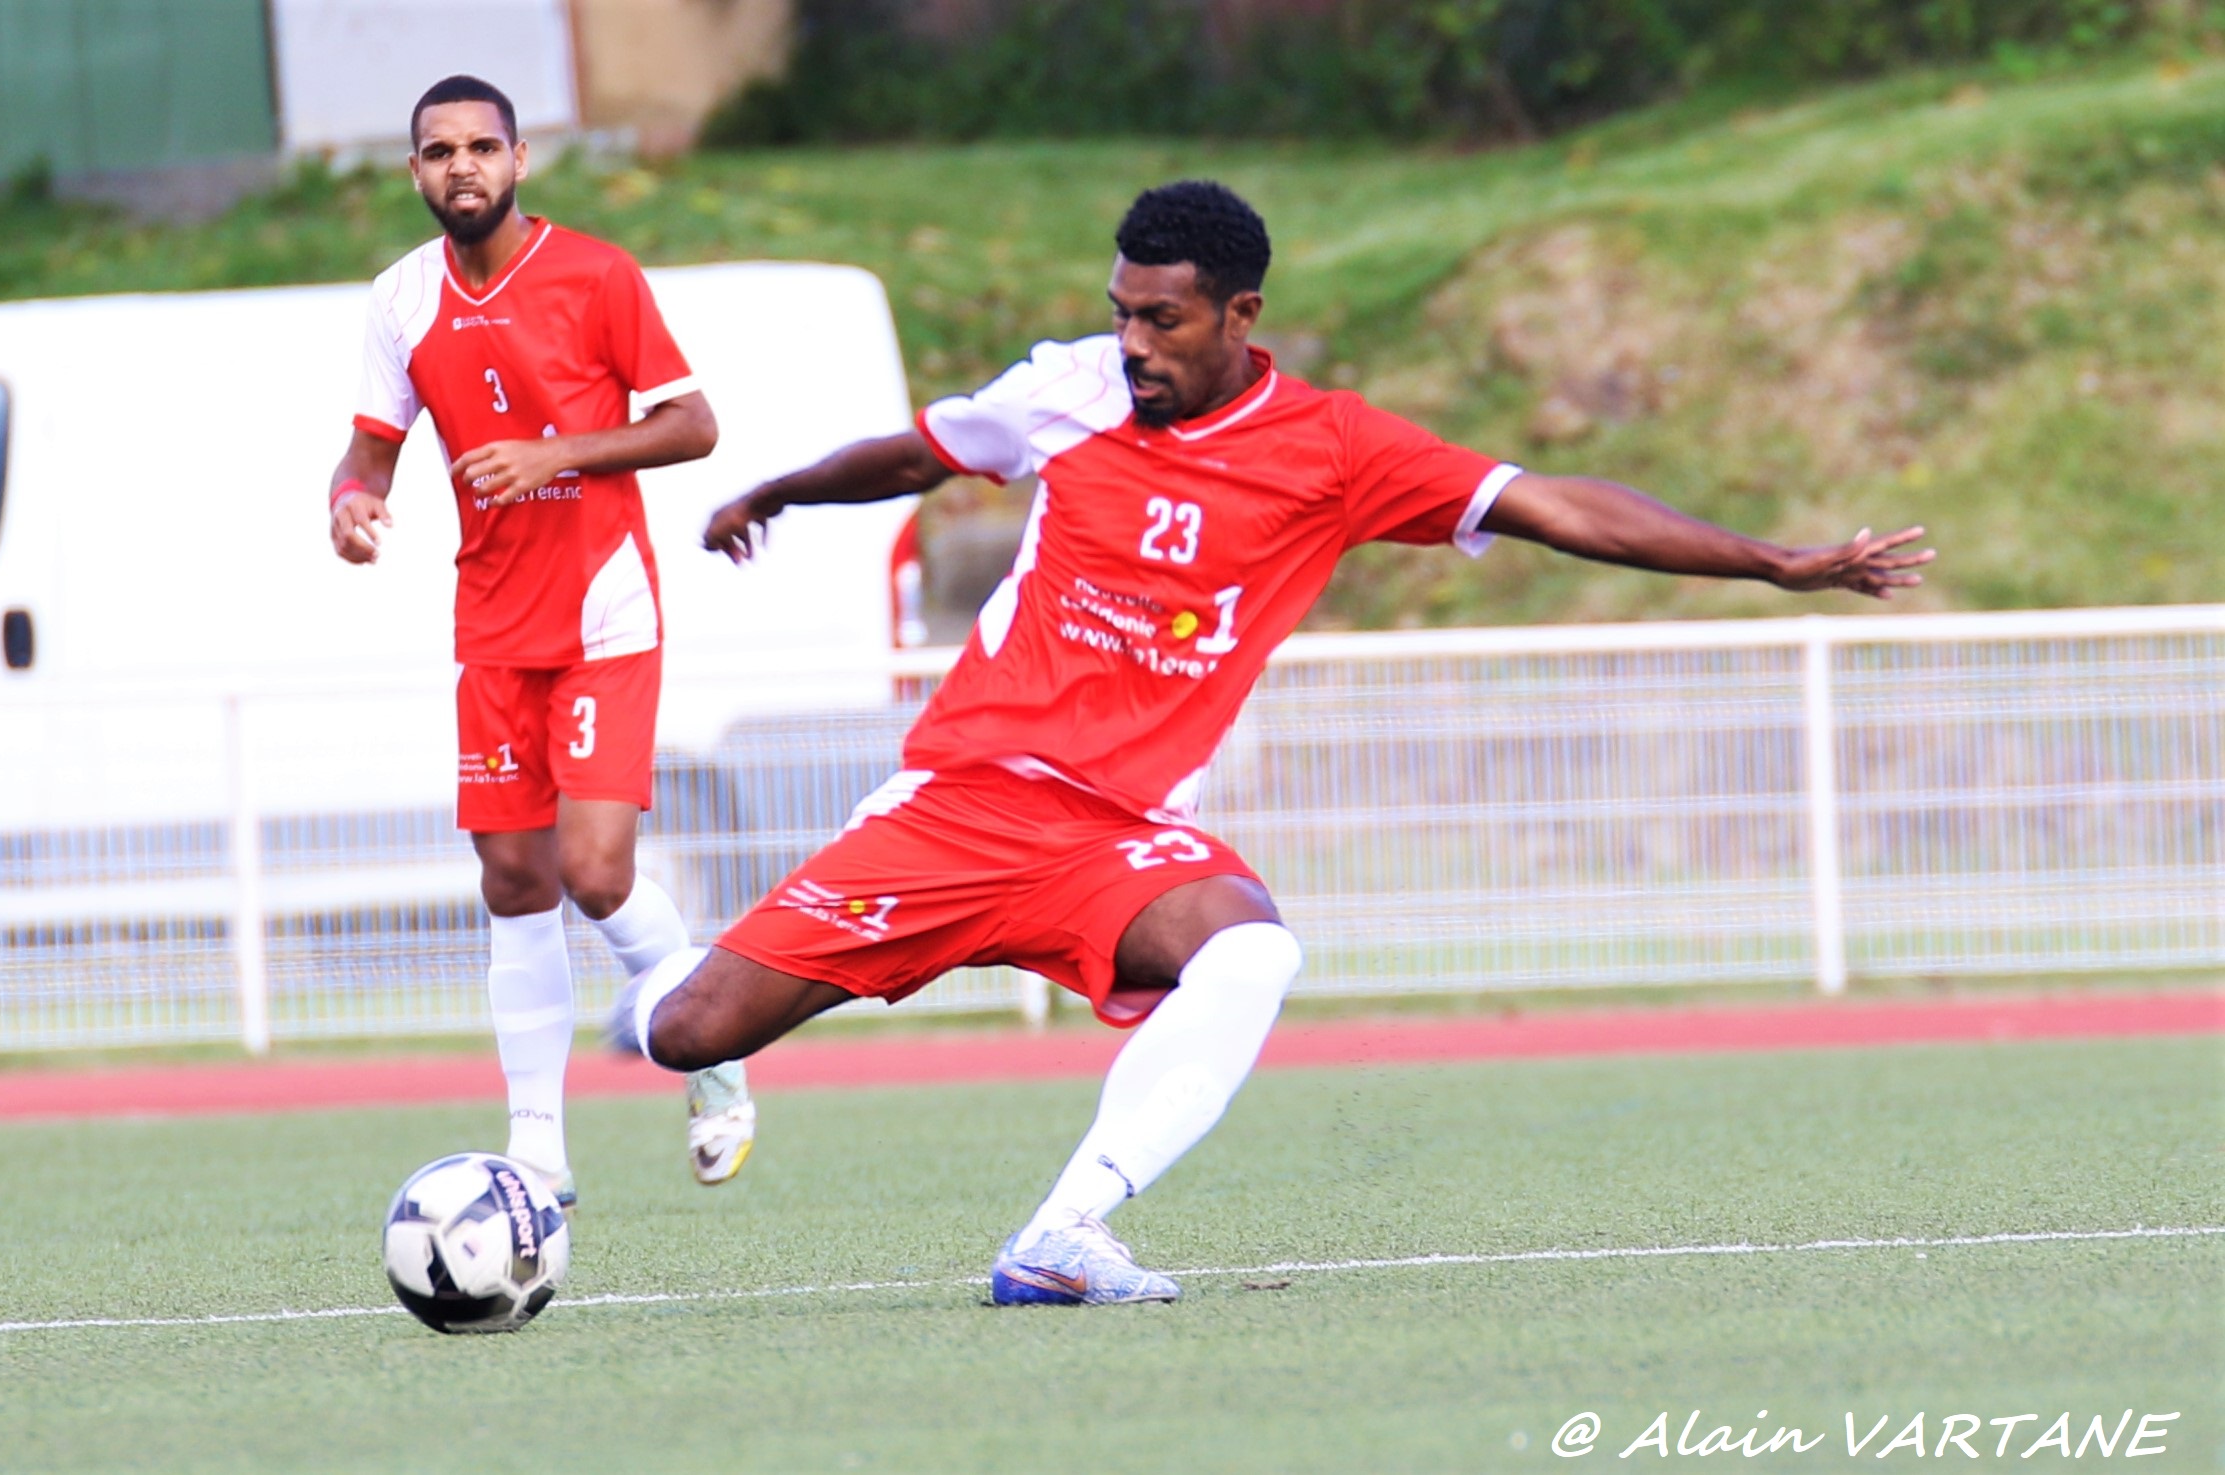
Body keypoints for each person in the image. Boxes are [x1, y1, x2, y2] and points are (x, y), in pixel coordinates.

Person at [604, 179, 1932, 1302]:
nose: (1132, 342)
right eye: (1123, 310)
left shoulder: (1336, 449)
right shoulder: (1072, 389)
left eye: (1162, 319)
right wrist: (775, 488)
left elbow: (1555, 505)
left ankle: (1064, 1232)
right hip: (954, 801)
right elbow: (919, 452)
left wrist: (1774, 562)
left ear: (1241, 316)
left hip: (1112, 835)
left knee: (1250, 946)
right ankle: (697, 1014)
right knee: (681, 1028)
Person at [327, 75, 755, 1205]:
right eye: (437, 151)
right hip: (492, 625)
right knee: (514, 879)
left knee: (593, 869)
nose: (460, 166)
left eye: (480, 147)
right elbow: (369, 451)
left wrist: (553, 454)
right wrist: (349, 507)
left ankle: (711, 1052)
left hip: (603, 613)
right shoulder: (399, 300)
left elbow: (692, 424)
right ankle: (537, 1150)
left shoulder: (596, 274)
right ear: (413, 173)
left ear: (520, 162)